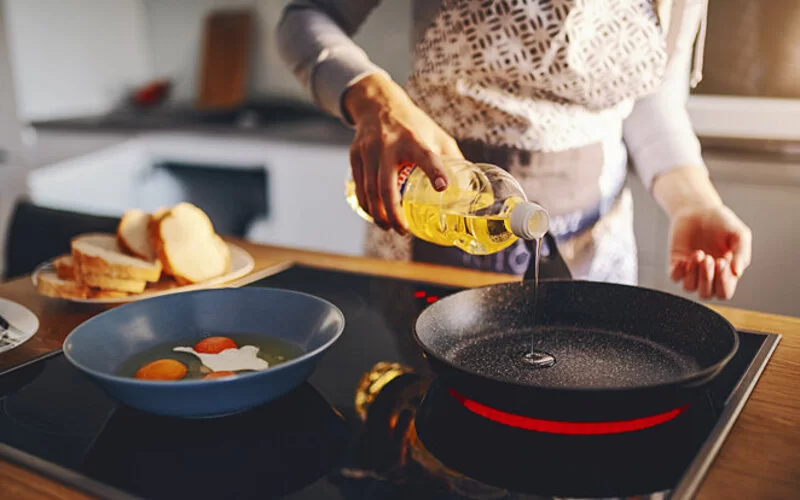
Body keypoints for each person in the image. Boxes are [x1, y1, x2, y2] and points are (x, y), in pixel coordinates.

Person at [276, 0, 752, 300]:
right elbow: (306, 16)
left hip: (593, 249)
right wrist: (374, 100)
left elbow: (650, 93)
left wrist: (694, 199)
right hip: (427, 227)